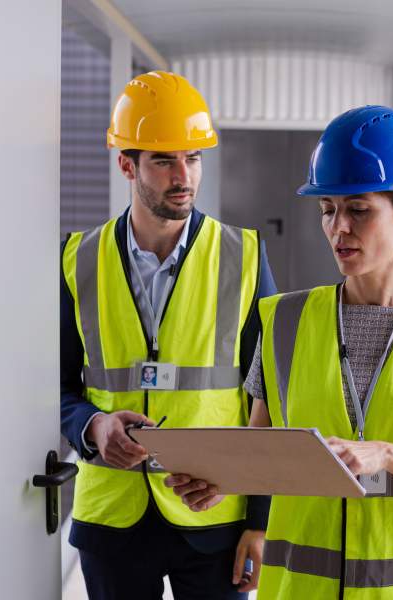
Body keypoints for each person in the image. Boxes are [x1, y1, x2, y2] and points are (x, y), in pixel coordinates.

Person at [176, 105, 393, 599]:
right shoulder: (284, 322)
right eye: (328, 210)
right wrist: (224, 478)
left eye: (359, 210)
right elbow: (261, 445)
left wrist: (387, 454)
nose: (338, 229)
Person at [60, 71, 277, 599]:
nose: (184, 176)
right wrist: (92, 427)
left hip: (213, 513)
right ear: (126, 164)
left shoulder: (243, 256)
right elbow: (52, 384)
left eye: (193, 158)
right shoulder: (76, 258)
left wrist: (262, 520)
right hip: (112, 515)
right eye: (164, 160)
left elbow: (272, 389)